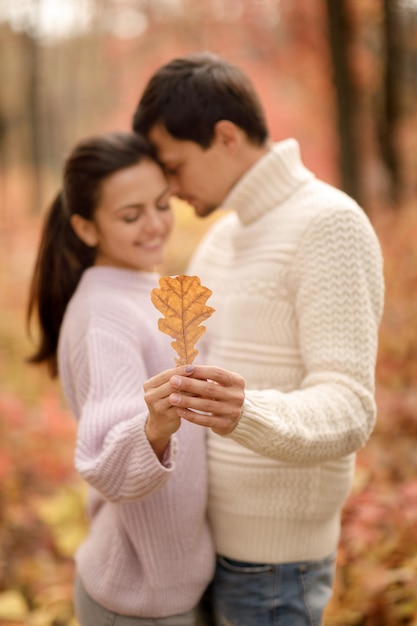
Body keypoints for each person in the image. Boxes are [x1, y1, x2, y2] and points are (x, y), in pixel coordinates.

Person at [132, 52, 385, 626]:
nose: (169, 190)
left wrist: (246, 411)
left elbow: (350, 407)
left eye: (174, 167)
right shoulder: (220, 241)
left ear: (225, 137)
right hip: (198, 548)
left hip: (273, 569)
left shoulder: (330, 226)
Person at [26, 130, 219, 626]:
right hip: (136, 599)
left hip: (178, 585)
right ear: (87, 229)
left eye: (161, 204)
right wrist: (154, 426)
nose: (155, 225)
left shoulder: (142, 289)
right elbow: (105, 462)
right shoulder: (104, 313)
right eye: (131, 216)